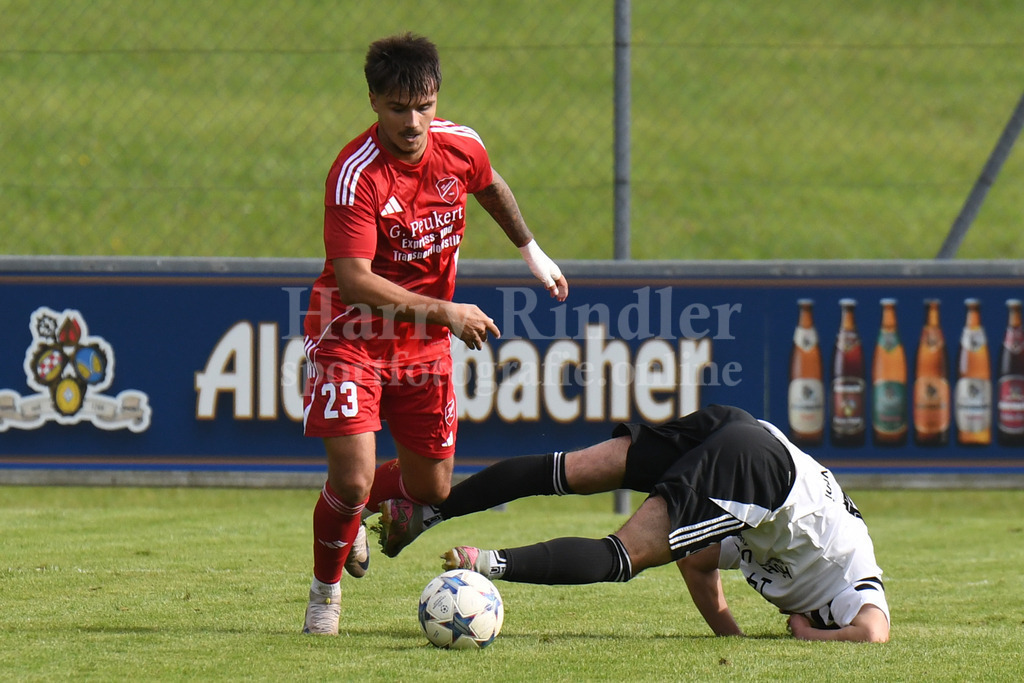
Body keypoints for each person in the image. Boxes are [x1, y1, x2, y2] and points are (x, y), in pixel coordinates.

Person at [300, 32, 569, 635]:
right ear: (374, 102)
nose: (413, 121)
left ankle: (360, 509)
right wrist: (447, 312)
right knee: (352, 476)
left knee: (432, 488)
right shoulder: (355, 175)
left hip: (420, 347)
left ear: (436, 96)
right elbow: (355, 281)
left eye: (423, 105)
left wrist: (532, 252)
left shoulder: (460, 146)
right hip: (352, 335)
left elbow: (492, 185)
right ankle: (325, 594)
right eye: (398, 108)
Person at [380, 405, 890, 642]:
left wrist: (731, 639)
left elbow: (697, 561)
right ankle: (485, 563)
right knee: (621, 556)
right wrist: (809, 636)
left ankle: (425, 513)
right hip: (757, 471)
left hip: (746, 431)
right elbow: (872, 633)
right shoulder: (843, 586)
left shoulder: (790, 552)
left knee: (567, 471)